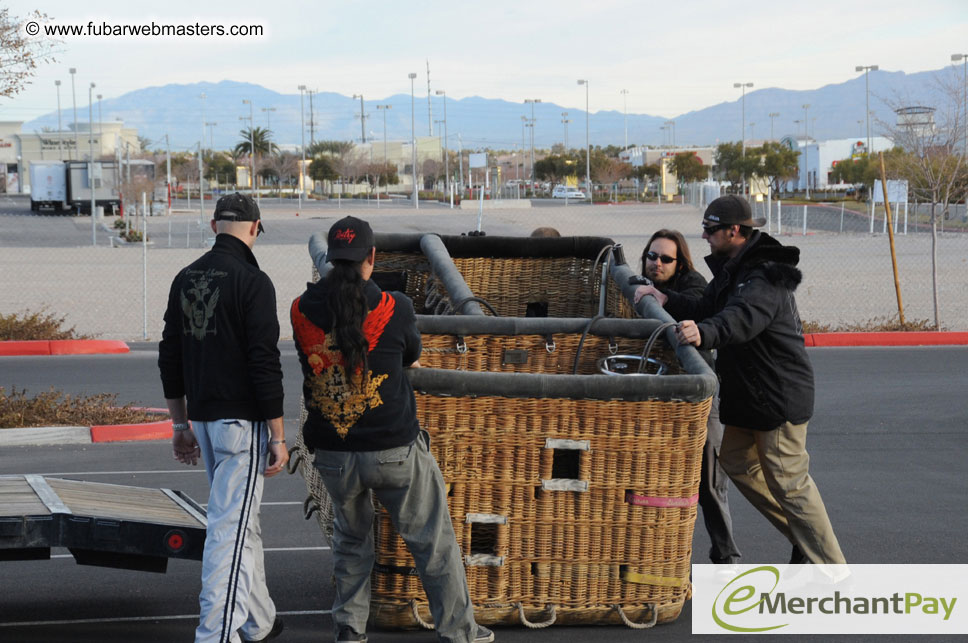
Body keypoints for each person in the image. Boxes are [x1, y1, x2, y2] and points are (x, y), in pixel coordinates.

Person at [291, 216, 494, 643]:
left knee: (350, 541)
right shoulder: (394, 306)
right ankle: (459, 631)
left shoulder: (299, 309)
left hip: (334, 452)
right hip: (393, 448)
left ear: (331, 258)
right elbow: (410, 356)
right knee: (432, 542)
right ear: (372, 257)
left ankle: (350, 627)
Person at [634, 195, 845, 565]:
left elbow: (740, 318)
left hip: (777, 398)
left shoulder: (763, 276)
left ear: (733, 231)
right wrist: (664, 299)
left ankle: (833, 572)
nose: (704, 235)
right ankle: (806, 538)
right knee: (734, 459)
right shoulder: (735, 268)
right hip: (751, 398)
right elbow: (707, 306)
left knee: (790, 483)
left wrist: (704, 333)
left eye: (710, 228)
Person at [159, 192, 287, 643]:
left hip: (206, 422)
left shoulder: (184, 277)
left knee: (238, 522)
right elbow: (264, 362)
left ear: (214, 226)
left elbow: (170, 356)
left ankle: (258, 620)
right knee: (228, 533)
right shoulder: (253, 282)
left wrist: (180, 425)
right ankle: (216, 634)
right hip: (242, 425)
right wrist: (278, 434)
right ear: (255, 228)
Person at [637, 229, 742, 565]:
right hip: (662, 400)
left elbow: (699, 308)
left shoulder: (693, 284)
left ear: (679, 263)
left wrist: (664, 300)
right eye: (652, 256)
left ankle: (726, 558)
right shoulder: (643, 285)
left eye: (666, 259)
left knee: (710, 482)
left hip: (700, 401)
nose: (657, 263)